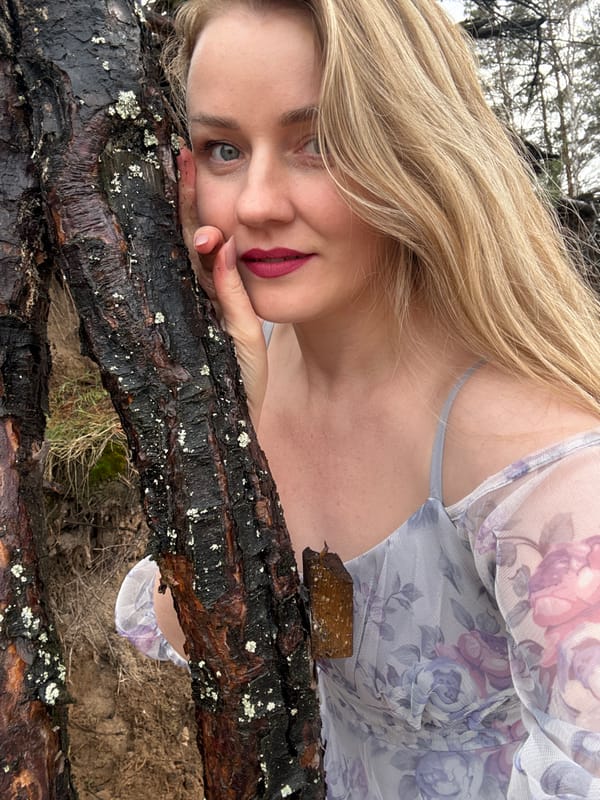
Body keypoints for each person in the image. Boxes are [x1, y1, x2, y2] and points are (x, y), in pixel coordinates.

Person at [115, 0, 600, 796]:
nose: (256, 203)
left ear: (415, 148)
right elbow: (169, 641)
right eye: (224, 148)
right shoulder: (256, 371)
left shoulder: (532, 461)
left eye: (320, 144)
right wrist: (224, 434)